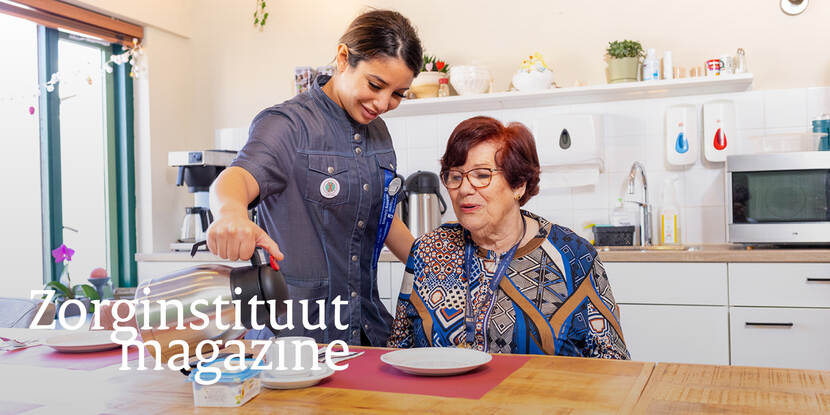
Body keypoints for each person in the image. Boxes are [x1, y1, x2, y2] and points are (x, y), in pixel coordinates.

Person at [207, 10, 422, 346]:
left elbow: (383, 217)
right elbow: (237, 178)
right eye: (375, 84)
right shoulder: (287, 124)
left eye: (398, 94)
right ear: (343, 58)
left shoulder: (378, 134)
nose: (383, 103)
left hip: (366, 332)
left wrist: (435, 268)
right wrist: (230, 213)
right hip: (296, 340)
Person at [387, 116, 630, 359]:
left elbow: (613, 362)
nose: (464, 189)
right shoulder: (428, 250)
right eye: (455, 176)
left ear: (518, 185)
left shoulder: (573, 254)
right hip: (442, 396)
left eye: (482, 175)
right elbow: (399, 347)